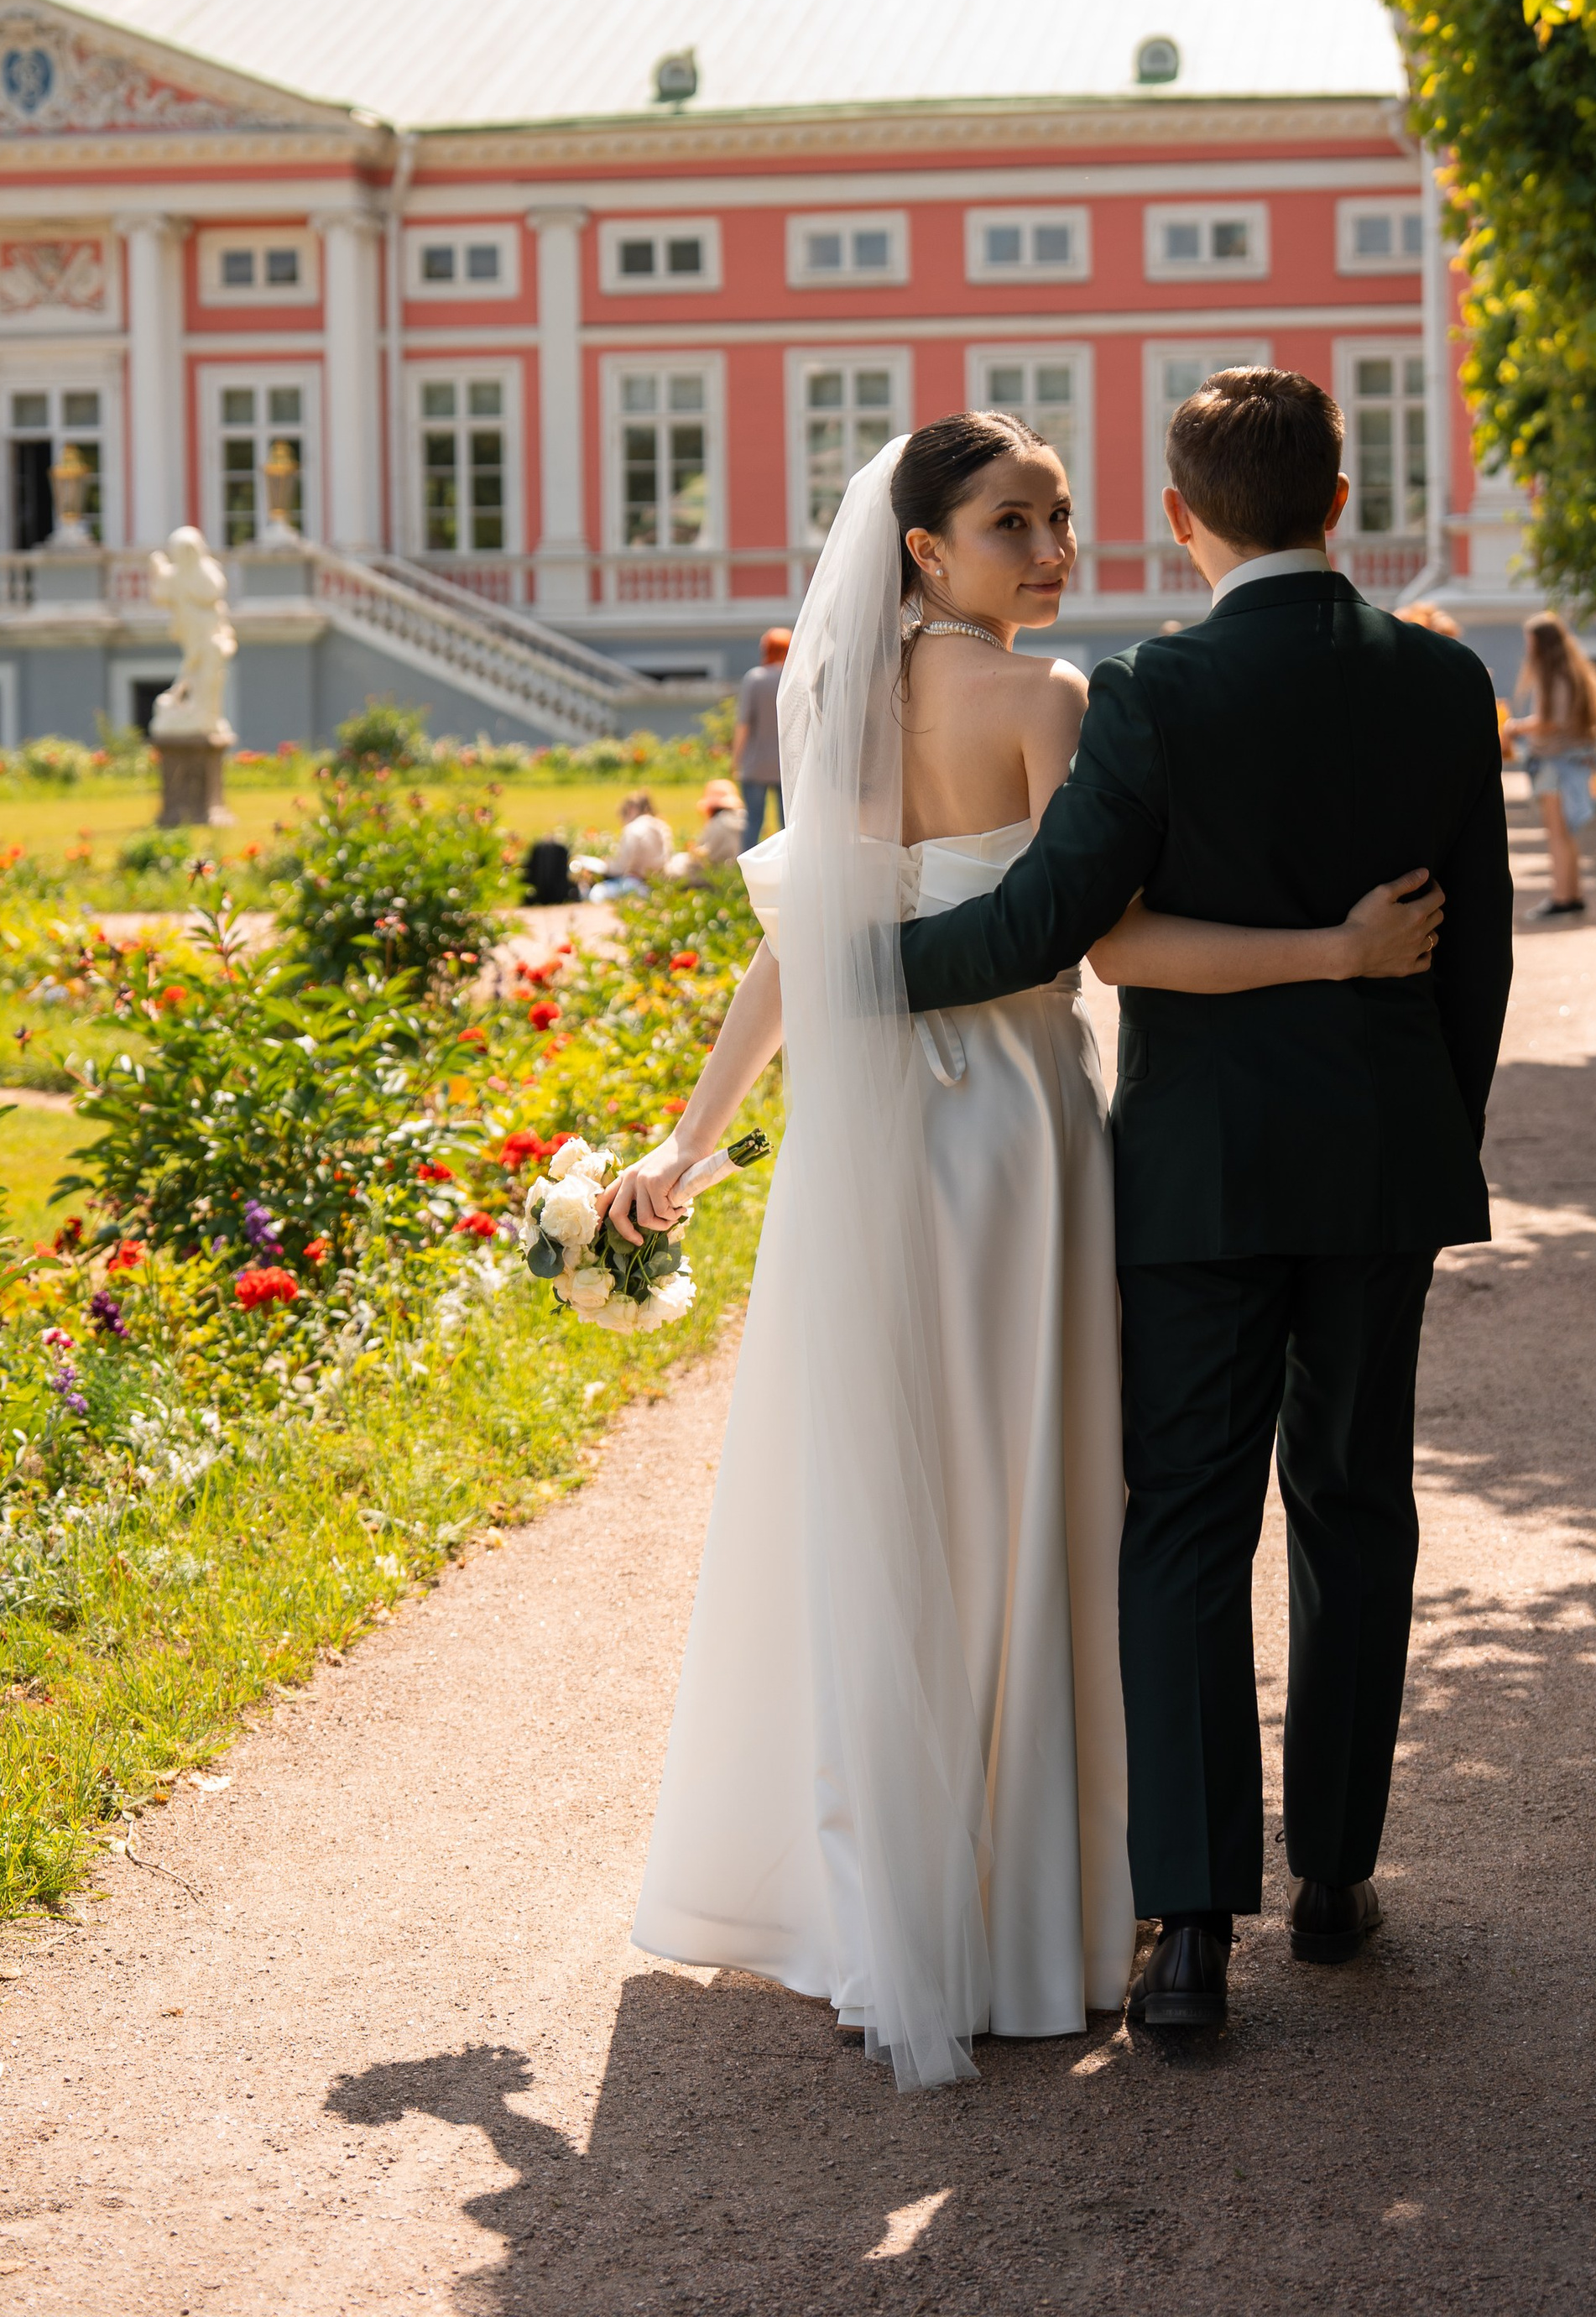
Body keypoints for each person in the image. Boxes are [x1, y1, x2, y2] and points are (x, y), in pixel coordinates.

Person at [600, 411, 1448, 2087]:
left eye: (1057, 518)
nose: (1050, 553)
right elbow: (1102, 938)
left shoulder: (830, 700)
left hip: (863, 1141)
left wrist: (693, 1141)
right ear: (921, 548)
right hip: (1006, 1131)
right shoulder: (1052, 699)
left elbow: (809, 950)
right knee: (1036, 1495)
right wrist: (1333, 955)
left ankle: (900, 1900)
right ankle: (1034, 1904)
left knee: (897, 1498)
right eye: (1011, 525)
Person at [894, 369, 1512, 2035]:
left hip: (1198, 1175)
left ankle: (1184, 1939)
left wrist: (857, 962)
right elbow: (1482, 963)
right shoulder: (1449, 683)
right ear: (1337, 500)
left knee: (1180, 1522)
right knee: (1353, 1506)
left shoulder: (1153, 689)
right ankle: (1331, 1880)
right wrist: (1425, 1141)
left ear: (1179, 519)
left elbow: (1043, 922)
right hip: (1381, 1162)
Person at [1507, 612, 1596, 922]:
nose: (1528, 649)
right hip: (1571, 760)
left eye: (1530, 642)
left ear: (1542, 643)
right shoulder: (1571, 672)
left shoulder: (1557, 676)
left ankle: (1562, 898)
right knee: (1566, 834)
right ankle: (1572, 895)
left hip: (1557, 764)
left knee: (1558, 834)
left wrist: (1514, 728)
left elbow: (1552, 722)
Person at [733, 628, 789, 849]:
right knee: (788, 824)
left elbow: (743, 724)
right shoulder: (794, 677)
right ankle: (789, 868)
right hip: (786, 765)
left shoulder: (755, 679)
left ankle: (745, 870)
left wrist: (736, 760)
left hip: (756, 765)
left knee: (753, 821)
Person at [582, 790, 674, 903]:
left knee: (597, 892)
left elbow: (621, 867)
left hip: (638, 883)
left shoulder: (632, 829)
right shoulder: (662, 826)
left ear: (631, 810)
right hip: (661, 884)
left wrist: (606, 865)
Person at [664, 777, 746, 882]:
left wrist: (694, 852)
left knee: (676, 864)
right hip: (740, 872)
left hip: (716, 874)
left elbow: (705, 856)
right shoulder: (745, 819)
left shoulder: (717, 823)